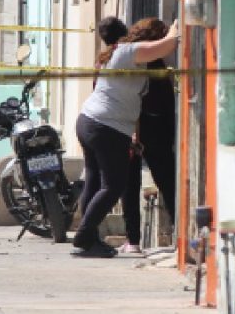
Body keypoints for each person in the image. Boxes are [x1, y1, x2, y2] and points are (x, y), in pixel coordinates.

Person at [73, 17, 180, 257]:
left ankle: (89, 239)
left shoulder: (118, 53)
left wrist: (135, 134)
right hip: (106, 127)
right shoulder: (131, 52)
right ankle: (84, 236)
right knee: (114, 186)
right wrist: (175, 27)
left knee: (95, 181)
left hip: (90, 121)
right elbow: (169, 45)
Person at [120, 24, 176, 254]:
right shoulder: (150, 64)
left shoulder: (135, 61)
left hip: (137, 128)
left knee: (130, 185)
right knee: (167, 183)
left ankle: (132, 240)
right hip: (149, 129)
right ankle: (178, 231)